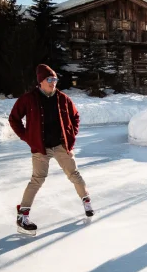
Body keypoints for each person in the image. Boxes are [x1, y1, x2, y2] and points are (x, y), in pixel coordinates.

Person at [9, 64, 94, 236]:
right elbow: (14, 119)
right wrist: (28, 137)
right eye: (49, 79)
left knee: (74, 174)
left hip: (61, 145)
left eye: (55, 79)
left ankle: (86, 200)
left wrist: (70, 135)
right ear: (41, 81)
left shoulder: (63, 98)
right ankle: (22, 215)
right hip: (41, 148)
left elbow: (75, 117)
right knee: (37, 179)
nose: (53, 82)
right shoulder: (29, 99)